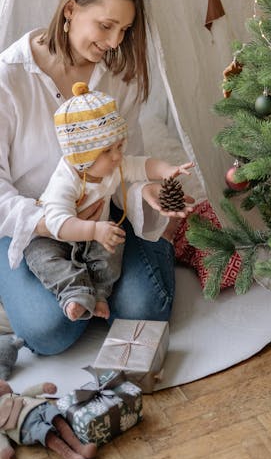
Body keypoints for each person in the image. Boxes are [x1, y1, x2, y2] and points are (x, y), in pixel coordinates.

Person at [0, 0, 188, 356]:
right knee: (50, 332)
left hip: (102, 217)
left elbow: (126, 159)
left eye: (124, 31)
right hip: (35, 226)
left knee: (143, 310)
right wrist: (55, 224)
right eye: (106, 26)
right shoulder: (9, 78)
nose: (115, 41)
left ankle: (137, 261)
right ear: (70, 10)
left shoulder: (117, 74)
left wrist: (144, 190)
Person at [23, 81, 194, 323]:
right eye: (106, 151)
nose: (117, 156)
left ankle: (101, 292)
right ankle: (74, 291)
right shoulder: (66, 180)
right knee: (41, 258)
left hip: (97, 236)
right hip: (55, 239)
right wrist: (93, 229)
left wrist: (168, 170)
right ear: (81, 155)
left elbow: (142, 164)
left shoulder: (113, 166)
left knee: (113, 248)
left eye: (119, 146)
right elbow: (56, 222)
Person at [0, 378, 98, 459]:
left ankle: (81, 448)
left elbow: (29, 392)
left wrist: (43, 387)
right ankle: (72, 456)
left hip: (39, 407)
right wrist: (4, 449)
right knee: (46, 435)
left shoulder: (15, 396)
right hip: (25, 426)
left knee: (57, 419)